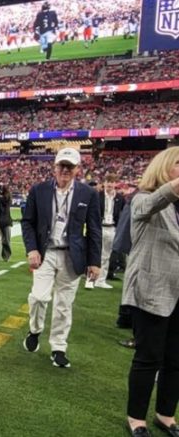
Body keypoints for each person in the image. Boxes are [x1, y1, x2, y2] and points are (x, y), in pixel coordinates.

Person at [21, 147, 102, 368]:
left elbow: (94, 229)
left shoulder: (88, 194)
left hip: (72, 255)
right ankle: (35, 330)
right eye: (62, 165)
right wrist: (32, 249)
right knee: (39, 297)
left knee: (64, 304)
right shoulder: (38, 190)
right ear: (54, 167)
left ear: (77, 169)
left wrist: (94, 262)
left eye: (70, 166)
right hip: (46, 252)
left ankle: (58, 347)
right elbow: (27, 222)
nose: (65, 170)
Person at [123, 148, 179, 437]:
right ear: (164, 167)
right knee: (149, 357)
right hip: (152, 290)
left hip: (178, 293)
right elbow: (147, 206)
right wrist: (173, 187)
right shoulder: (144, 198)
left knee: (176, 359)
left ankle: (165, 414)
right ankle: (136, 418)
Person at [86, 173, 125, 289]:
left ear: (115, 184)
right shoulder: (97, 196)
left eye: (112, 182)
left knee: (106, 255)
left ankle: (101, 280)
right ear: (104, 183)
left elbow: (123, 214)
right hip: (99, 227)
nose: (110, 184)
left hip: (112, 228)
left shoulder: (120, 198)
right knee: (94, 254)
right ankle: (90, 280)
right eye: (108, 182)